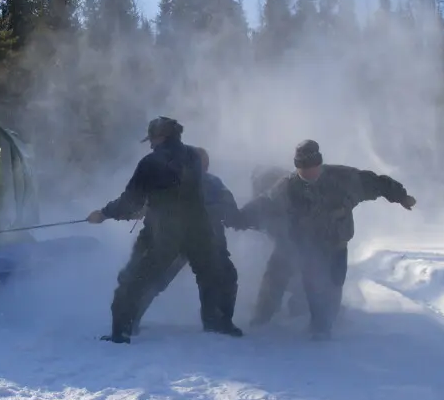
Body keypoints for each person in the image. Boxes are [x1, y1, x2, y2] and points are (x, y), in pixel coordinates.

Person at [239, 140, 416, 340]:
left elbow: (376, 183)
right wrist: (240, 217)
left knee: (331, 285)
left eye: (311, 167)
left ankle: (322, 328)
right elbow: (266, 201)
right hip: (301, 244)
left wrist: (400, 196)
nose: (307, 173)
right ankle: (261, 320)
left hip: (334, 245)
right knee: (286, 277)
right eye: (302, 168)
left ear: (319, 164)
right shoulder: (289, 186)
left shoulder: (343, 179)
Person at [86, 117, 241, 344]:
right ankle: (218, 323)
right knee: (212, 274)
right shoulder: (193, 157)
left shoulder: (150, 162)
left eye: (152, 139)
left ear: (161, 137)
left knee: (136, 277)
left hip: (164, 230)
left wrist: (104, 213)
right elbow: (184, 191)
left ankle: (122, 330)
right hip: (198, 228)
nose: (150, 145)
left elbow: (131, 201)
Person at [130, 147, 243, 337]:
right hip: (176, 241)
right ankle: (130, 318)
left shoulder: (215, 184)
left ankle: (217, 321)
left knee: (225, 276)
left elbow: (230, 210)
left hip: (209, 243)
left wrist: (241, 219)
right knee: (155, 277)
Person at [246, 165, 309, 326]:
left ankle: (266, 312)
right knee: (286, 269)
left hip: (300, 238)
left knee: (281, 270)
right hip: (293, 238)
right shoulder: (273, 191)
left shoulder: (281, 192)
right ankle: (271, 308)